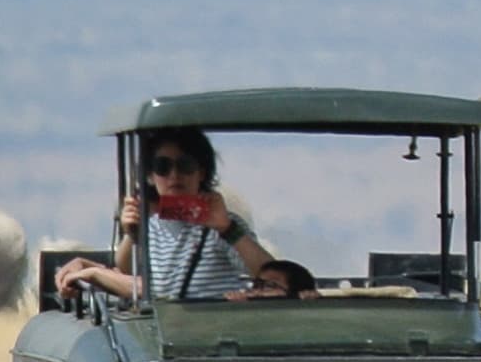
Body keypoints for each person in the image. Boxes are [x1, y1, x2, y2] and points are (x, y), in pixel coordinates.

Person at [54, 130, 301, 303]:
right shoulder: (151, 225)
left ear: (201, 172)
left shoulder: (224, 226)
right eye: (163, 167)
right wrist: (132, 235)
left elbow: (269, 272)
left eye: (185, 166)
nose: (174, 176)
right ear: (150, 176)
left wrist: (226, 228)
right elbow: (130, 273)